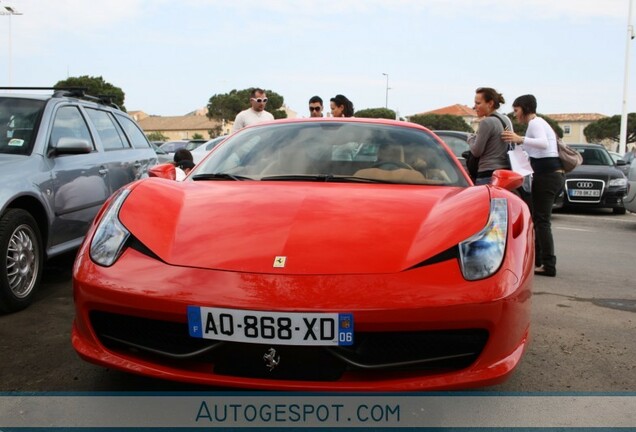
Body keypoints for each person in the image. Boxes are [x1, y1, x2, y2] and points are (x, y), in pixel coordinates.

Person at [502, 94, 565, 277]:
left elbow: (543, 144)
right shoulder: (539, 123)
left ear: (525, 108)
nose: (515, 115)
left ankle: (548, 264)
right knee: (540, 220)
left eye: (516, 110)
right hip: (550, 176)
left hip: (547, 177)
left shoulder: (535, 123)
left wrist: (519, 138)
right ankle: (540, 261)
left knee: (542, 221)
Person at [467, 87, 513, 185]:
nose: (474, 107)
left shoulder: (486, 122)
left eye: (478, 103)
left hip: (487, 173)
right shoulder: (505, 119)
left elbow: (476, 151)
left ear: (490, 104)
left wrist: (470, 138)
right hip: (504, 172)